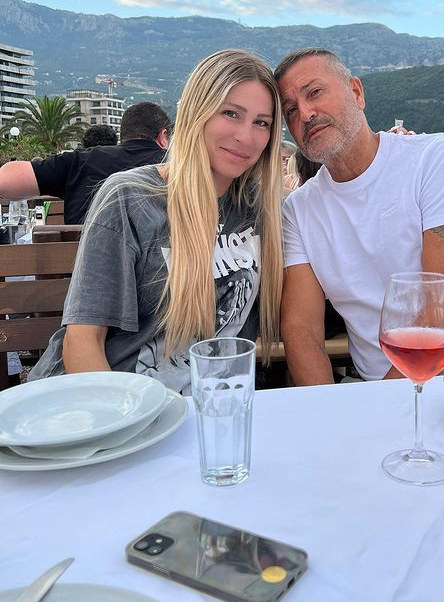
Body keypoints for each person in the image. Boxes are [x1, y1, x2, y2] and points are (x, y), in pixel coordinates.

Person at [29, 50, 283, 394]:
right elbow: (83, 341)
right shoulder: (130, 197)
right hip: (109, 401)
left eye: (261, 122)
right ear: (197, 112)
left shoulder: (260, 209)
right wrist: (126, 419)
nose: (246, 136)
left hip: (205, 408)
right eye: (231, 113)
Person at [275, 48, 444, 385]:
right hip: (380, 392)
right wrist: (330, 408)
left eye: (315, 92)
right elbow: (302, 329)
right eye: (290, 110)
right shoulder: (298, 210)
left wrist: (381, 408)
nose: (305, 113)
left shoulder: (437, 160)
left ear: (356, 93)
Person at [0, 102, 171, 224]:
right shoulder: (175, 166)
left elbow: (5, 181)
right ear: (163, 136)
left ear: (123, 135)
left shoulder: (81, 160)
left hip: (78, 262)